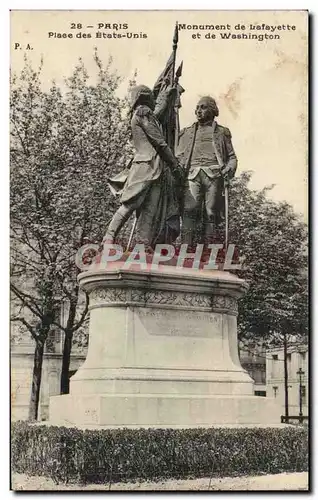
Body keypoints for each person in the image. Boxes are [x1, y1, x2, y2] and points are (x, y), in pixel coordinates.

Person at [104, 85, 180, 250]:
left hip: (155, 167)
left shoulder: (144, 114)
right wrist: (174, 165)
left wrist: (166, 96)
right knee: (131, 203)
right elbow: (159, 142)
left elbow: (157, 115)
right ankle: (108, 238)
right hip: (145, 165)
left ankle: (142, 244)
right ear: (145, 98)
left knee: (149, 208)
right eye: (152, 96)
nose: (154, 98)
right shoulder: (142, 112)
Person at [176, 96, 237, 247]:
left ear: (212, 110)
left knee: (211, 213)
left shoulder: (222, 132)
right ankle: (185, 248)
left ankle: (210, 250)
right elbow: (177, 156)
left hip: (214, 175)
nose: (198, 111)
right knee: (189, 210)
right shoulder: (187, 132)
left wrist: (229, 168)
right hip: (192, 175)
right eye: (197, 108)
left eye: (203, 107)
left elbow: (232, 157)